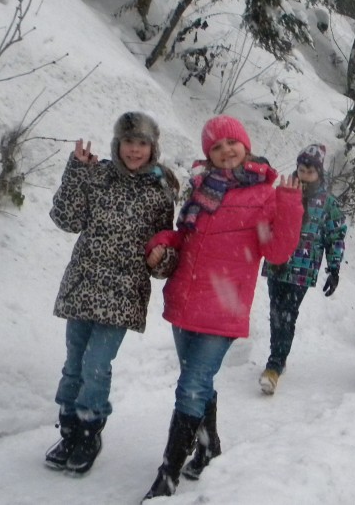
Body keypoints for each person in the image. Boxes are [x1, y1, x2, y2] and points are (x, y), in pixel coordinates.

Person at [141, 115, 302, 500]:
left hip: (224, 309)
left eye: (232, 143)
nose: (226, 151)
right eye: (216, 146)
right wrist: (162, 241)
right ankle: (209, 445)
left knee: (191, 386)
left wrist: (290, 204)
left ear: (245, 145)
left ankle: (168, 473)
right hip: (185, 299)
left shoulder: (265, 194)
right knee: (197, 381)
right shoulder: (201, 188)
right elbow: (186, 236)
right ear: (208, 155)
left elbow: (277, 250)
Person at [45, 111, 178, 474]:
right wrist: (76, 171)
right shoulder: (98, 174)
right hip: (84, 284)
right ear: (117, 144)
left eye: (142, 143)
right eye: (128, 141)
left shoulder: (160, 190)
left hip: (123, 292)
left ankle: (90, 430)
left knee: (96, 364)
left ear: (152, 148)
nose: (134, 150)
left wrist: (161, 259)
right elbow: (66, 220)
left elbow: (168, 244)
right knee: (74, 364)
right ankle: (69, 429)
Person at [258, 143, 347, 395]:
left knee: (288, 313)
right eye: (301, 168)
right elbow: (265, 220)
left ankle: (274, 365)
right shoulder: (284, 191)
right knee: (276, 312)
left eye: (310, 170)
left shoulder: (327, 202)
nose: (305, 174)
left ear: (319, 173)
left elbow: (336, 235)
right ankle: (279, 356)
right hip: (277, 263)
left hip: (302, 269)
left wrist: (335, 268)